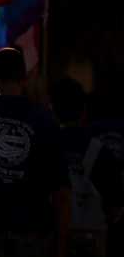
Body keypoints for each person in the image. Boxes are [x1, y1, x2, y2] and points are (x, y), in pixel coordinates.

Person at [0, 47, 71, 257]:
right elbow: (62, 194)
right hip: (34, 241)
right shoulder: (48, 124)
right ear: (24, 80)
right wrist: (61, 249)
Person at [49, 74, 123, 256]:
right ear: (84, 110)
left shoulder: (46, 149)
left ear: (53, 112)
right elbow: (115, 209)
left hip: (52, 240)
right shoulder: (101, 152)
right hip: (93, 244)